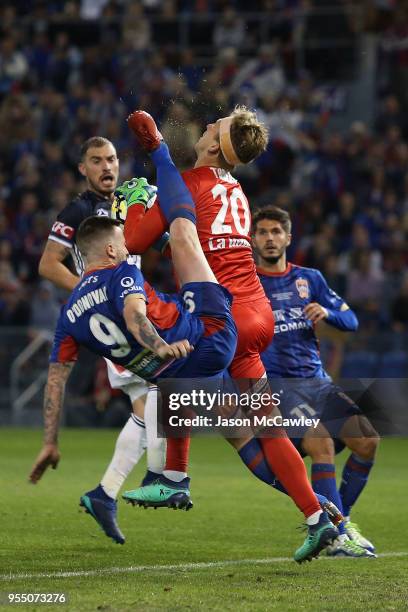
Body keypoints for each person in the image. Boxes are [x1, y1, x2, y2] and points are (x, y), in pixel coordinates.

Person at [30, 112, 339, 562]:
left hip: (225, 313)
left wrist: (135, 203)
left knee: (169, 365)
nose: (208, 125)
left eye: (215, 126)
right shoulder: (235, 190)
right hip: (257, 310)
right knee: (266, 427)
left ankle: (173, 478)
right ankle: (318, 518)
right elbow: (189, 236)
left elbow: (132, 240)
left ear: (215, 146)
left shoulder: (192, 183)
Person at [38, 136, 163, 545]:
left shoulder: (128, 201)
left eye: (111, 158)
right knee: (163, 395)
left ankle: (108, 493)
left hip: (135, 308)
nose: (107, 166)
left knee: (155, 402)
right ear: (83, 168)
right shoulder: (78, 210)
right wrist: (90, 293)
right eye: (97, 160)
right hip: (116, 319)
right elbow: (47, 264)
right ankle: (159, 480)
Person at [252, 205, 380, 558]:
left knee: (367, 440)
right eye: (262, 232)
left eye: (276, 231)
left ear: (288, 237)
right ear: (253, 239)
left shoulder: (310, 278)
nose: (270, 238)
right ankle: (338, 537)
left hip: (319, 383)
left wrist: (328, 314)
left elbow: (351, 319)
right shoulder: (247, 282)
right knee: (320, 442)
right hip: (279, 389)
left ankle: (344, 520)